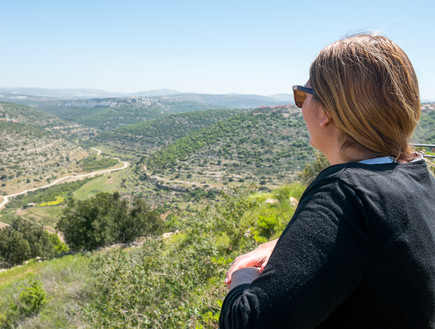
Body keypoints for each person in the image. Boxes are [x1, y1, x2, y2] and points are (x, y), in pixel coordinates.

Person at [219, 34, 435, 329]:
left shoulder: (344, 192)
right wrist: (286, 246)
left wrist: (242, 276)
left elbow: (249, 322)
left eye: (301, 95)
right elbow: (376, 239)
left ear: (326, 113)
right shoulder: (416, 173)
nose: (300, 106)